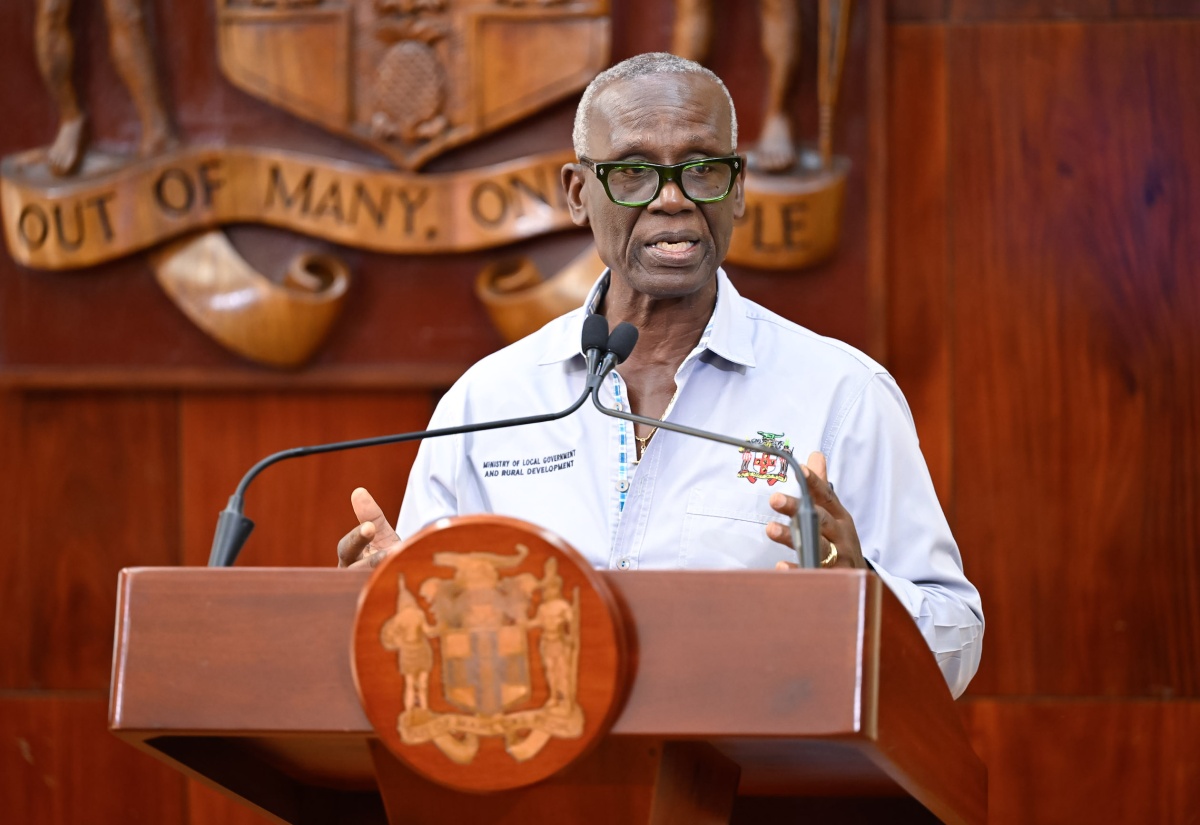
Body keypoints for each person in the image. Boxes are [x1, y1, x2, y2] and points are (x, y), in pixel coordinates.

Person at [338, 52, 983, 698]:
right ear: (578, 194)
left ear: (738, 189)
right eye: (633, 172)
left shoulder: (841, 394)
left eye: (702, 169)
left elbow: (957, 644)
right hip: (537, 757)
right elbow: (426, 641)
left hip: (754, 761)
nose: (672, 199)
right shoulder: (489, 402)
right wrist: (386, 598)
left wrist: (862, 589)